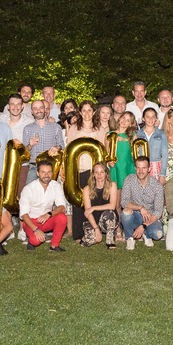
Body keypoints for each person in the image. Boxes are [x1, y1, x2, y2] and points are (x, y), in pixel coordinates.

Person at [66, 100, 109, 240]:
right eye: (83, 110)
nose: (86, 113)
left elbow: (104, 150)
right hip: (78, 171)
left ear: (94, 112)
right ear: (79, 112)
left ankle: (94, 231)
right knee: (79, 202)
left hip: (95, 172)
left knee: (94, 202)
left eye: (89, 110)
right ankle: (78, 234)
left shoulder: (100, 129)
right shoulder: (74, 128)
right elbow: (68, 149)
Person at [19, 159, 68, 251]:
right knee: (36, 241)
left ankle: (54, 245)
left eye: (49, 172)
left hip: (46, 219)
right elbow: (23, 214)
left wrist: (49, 214)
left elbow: (62, 207)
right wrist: (36, 230)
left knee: (62, 217)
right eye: (43, 172)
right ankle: (30, 239)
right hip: (31, 221)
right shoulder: (28, 189)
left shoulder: (55, 186)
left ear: (52, 173)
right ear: (37, 173)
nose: (46, 175)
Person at [120, 156, 165, 249]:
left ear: (149, 169)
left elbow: (158, 211)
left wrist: (143, 226)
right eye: (138, 168)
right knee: (126, 212)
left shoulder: (157, 185)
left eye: (144, 168)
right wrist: (140, 208)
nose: (140, 171)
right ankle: (129, 238)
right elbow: (124, 202)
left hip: (150, 217)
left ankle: (146, 234)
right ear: (135, 168)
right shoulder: (129, 180)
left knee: (158, 234)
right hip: (135, 216)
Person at [21, 99, 64, 183]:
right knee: (30, 191)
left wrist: (57, 147)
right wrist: (30, 145)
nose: (38, 110)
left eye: (41, 108)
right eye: (35, 108)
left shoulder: (56, 127)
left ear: (45, 109)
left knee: (51, 191)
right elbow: (24, 152)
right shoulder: (27, 128)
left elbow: (62, 145)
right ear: (32, 111)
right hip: (34, 168)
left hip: (51, 167)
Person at [81, 162, 119, 248]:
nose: (99, 175)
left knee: (109, 213)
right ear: (93, 174)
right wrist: (96, 228)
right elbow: (88, 212)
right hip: (94, 220)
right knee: (91, 240)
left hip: (108, 219)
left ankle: (110, 240)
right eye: (96, 172)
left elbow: (112, 206)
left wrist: (94, 208)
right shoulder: (87, 189)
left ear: (106, 173)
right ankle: (88, 235)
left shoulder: (112, 185)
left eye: (102, 172)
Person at [108, 110, 138, 189]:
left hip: (127, 167)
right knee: (115, 191)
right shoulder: (109, 134)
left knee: (127, 192)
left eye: (128, 120)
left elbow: (135, 155)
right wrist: (109, 162)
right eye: (123, 118)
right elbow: (107, 153)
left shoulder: (133, 136)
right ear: (119, 118)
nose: (124, 121)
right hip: (114, 167)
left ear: (130, 124)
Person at [138, 107, 168, 181]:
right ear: (143, 118)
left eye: (153, 117)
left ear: (156, 119)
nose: (150, 119)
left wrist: (162, 174)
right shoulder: (137, 134)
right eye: (148, 117)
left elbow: (165, 155)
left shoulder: (161, 134)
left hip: (156, 167)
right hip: (141, 168)